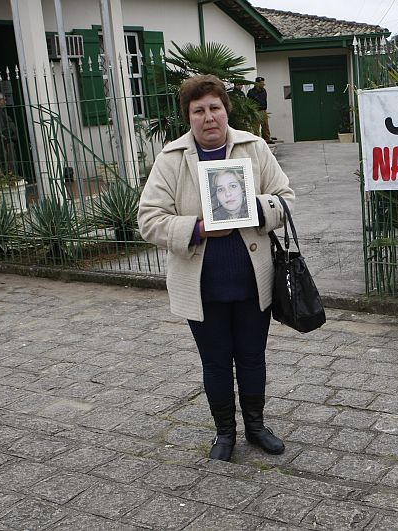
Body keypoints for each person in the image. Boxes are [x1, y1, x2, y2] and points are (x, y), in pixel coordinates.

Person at [138, 74, 295, 462]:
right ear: (188, 117)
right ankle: (225, 432)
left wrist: (254, 207)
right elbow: (148, 219)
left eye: (214, 107)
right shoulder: (171, 158)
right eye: (198, 110)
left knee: (252, 357)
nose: (208, 117)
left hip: (251, 281)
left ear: (226, 111)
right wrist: (196, 228)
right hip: (202, 286)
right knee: (216, 362)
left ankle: (256, 426)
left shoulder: (254, 148)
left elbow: (285, 197)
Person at [0, 91, 20, 177]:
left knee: (10, 163)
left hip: (5, 141)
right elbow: (0, 128)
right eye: (3, 100)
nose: (5, 102)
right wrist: (9, 137)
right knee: (9, 164)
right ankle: (12, 179)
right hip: (5, 143)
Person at [247, 76, 272, 144]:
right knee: (256, 126)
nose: (263, 85)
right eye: (261, 83)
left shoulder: (264, 91)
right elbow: (249, 102)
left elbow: (264, 99)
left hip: (263, 110)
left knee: (265, 126)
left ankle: (267, 139)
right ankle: (257, 139)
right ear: (256, 83)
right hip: (256, 111)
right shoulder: (251, 92)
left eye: (263, 84)